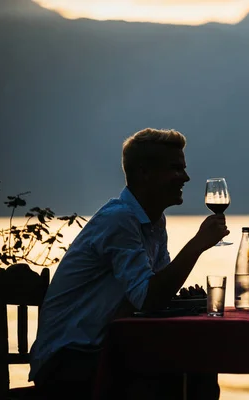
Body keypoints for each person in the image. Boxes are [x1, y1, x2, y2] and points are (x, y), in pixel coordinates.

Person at [29, 128, 229, 400]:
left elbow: (155, 292)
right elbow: (148, 298)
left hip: (105, 351)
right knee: (173, 378)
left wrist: (185, 300)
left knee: (199, 364)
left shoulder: (154, 222)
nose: (186, 177)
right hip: (67, 361)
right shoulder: (119, 220)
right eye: (175, 169)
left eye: (183, 168)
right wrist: (197, 245)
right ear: (144, 172)